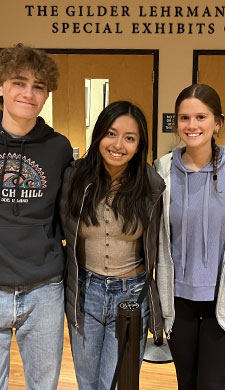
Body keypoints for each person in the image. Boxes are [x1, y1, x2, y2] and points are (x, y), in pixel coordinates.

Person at [0, 44, 73, 389]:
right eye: (19, 82)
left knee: (43, 385)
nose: (28, 93)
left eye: (39, 86)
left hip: (44, 289)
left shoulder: (59, 147)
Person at [60, 100, 164, 390]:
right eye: (111, 133)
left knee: (120, 383)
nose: (118, 144)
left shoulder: (151, 184)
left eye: (129, 138)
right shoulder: (74, 178)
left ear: (139, 145)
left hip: (130, 298)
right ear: (98, 136)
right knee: (88, 383)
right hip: (85, 293)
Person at [154, 84, 225, 390]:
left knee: (212, 384)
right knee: (187, 382)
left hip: (222, 299)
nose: (192, 125)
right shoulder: (164, 169)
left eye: (201, 117)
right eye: (184, 118)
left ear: (217, 122)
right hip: (178, 300)